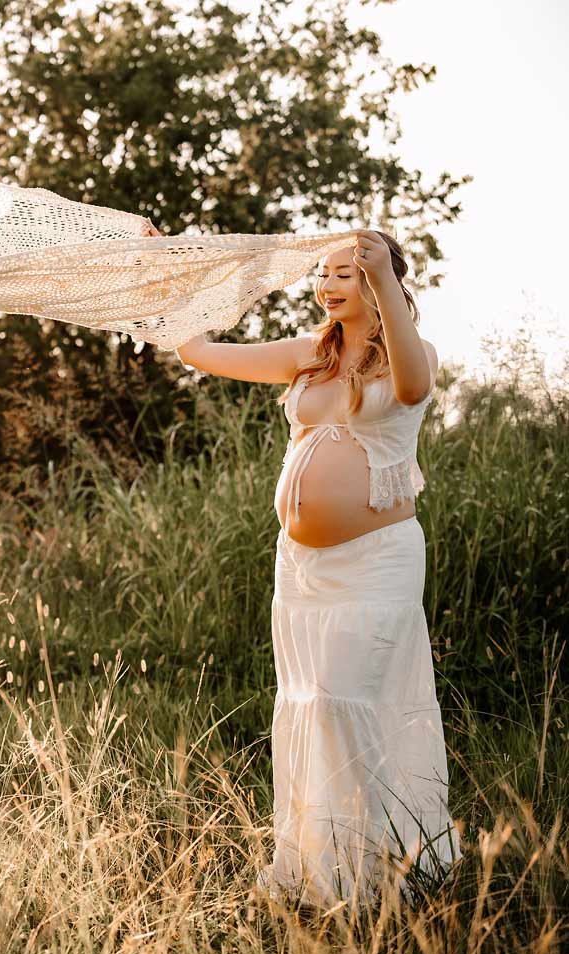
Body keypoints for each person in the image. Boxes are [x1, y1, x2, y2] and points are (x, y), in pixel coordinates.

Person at [175, 230, 458, 905]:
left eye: (344, 275)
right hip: (300, 569)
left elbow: (414, 386)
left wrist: (383, 270)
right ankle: (316, 866)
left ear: (380, 282)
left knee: (341, 698)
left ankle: (380, 871)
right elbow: (197, 352)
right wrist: (186, 276)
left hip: (377, 561)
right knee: (309, 708)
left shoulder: (412, 359)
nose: (327, 286)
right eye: (322, 275)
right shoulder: (308, 354)